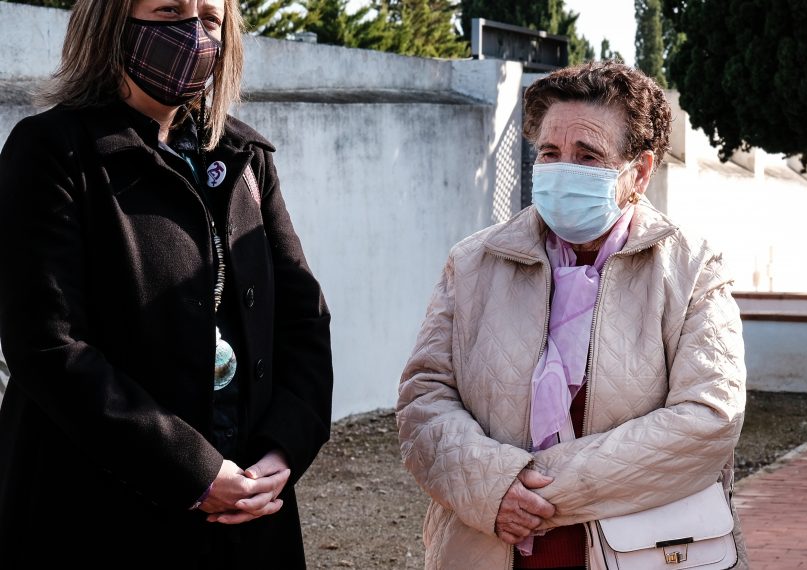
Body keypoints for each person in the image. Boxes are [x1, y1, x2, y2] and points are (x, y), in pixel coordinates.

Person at [0, 0, 333, 566]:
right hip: (97, 512)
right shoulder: (53, 151)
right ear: (110, 21)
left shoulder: (243, 157)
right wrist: (196, 472)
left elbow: (303, 317)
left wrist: (282, 450)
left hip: (248, 511)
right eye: (170, 11)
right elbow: (48, 345)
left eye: (210, 19)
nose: (194, 35)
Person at [397, 61, 748, 569]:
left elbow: (709, 418)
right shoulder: (473, 263)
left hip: (643, 553)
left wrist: (527, 491)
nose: (564, 169)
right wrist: (491, 489)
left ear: (640, 173)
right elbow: (424, 397)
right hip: (485, 551)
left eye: (587, 156)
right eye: (550, 153)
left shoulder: (691, 269)